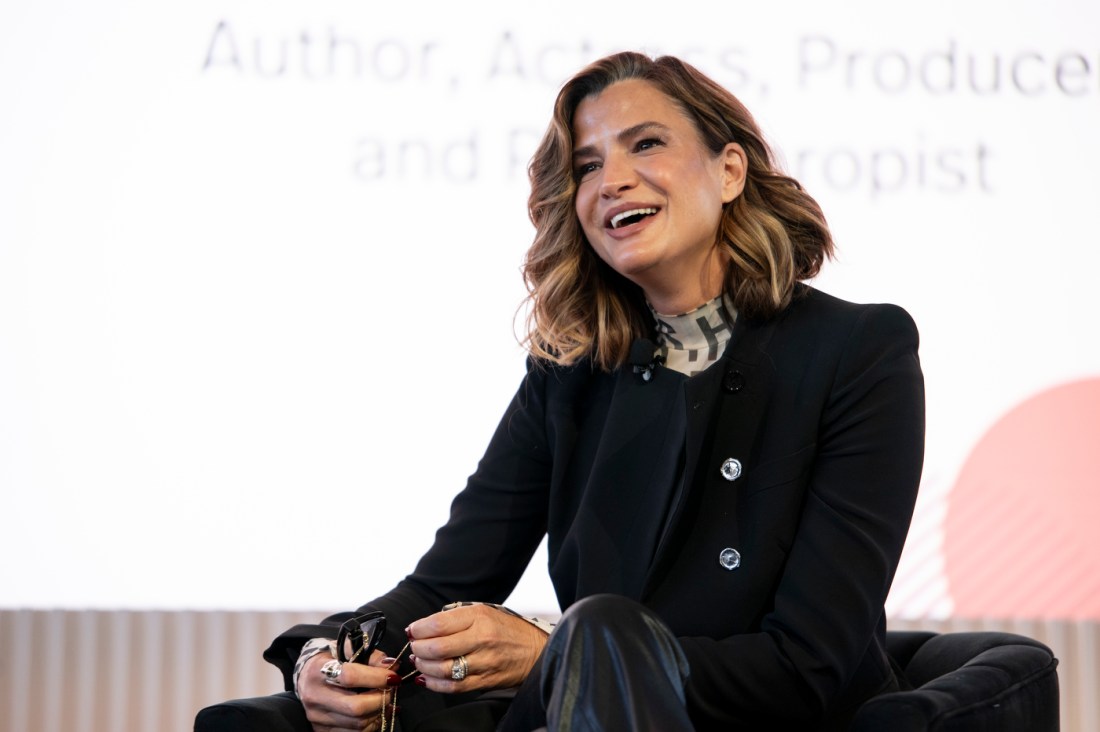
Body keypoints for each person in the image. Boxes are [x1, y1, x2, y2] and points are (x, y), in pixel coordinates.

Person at [201, 50, 924, 732]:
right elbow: (439, 586)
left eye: (645, 145)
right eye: (587, 165)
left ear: (729, 169)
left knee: (602, 628)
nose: (611, 179)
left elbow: (806, 668)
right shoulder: (569, 372)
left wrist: (561, 654)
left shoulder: (859, 352)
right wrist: (320, 656)